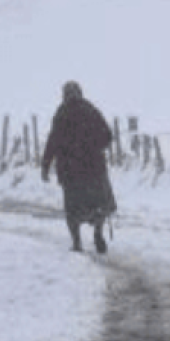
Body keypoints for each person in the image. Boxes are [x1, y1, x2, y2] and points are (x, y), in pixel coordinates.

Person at [41, 81, 117, 253]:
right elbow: (108, 136)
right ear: (80, 93)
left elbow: (52, 142)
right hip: (94, 170)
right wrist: (94, 147)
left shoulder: (61, 114)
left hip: (71, 173)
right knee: (99, 206)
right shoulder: (90, 110)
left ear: (64, 95)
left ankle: (77, 242)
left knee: (73, 211)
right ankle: (98, 233)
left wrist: (45, 166)